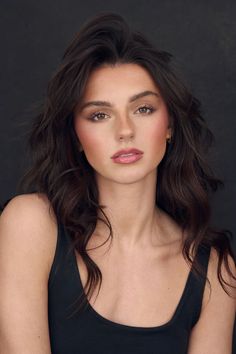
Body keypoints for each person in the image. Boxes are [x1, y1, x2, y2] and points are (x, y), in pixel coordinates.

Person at [0, 11, 235, 354]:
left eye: (143, 109)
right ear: (76, 136)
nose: (124, 131)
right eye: (99, 115)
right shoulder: (30, 225)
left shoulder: (214, 271)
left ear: (169, 125)